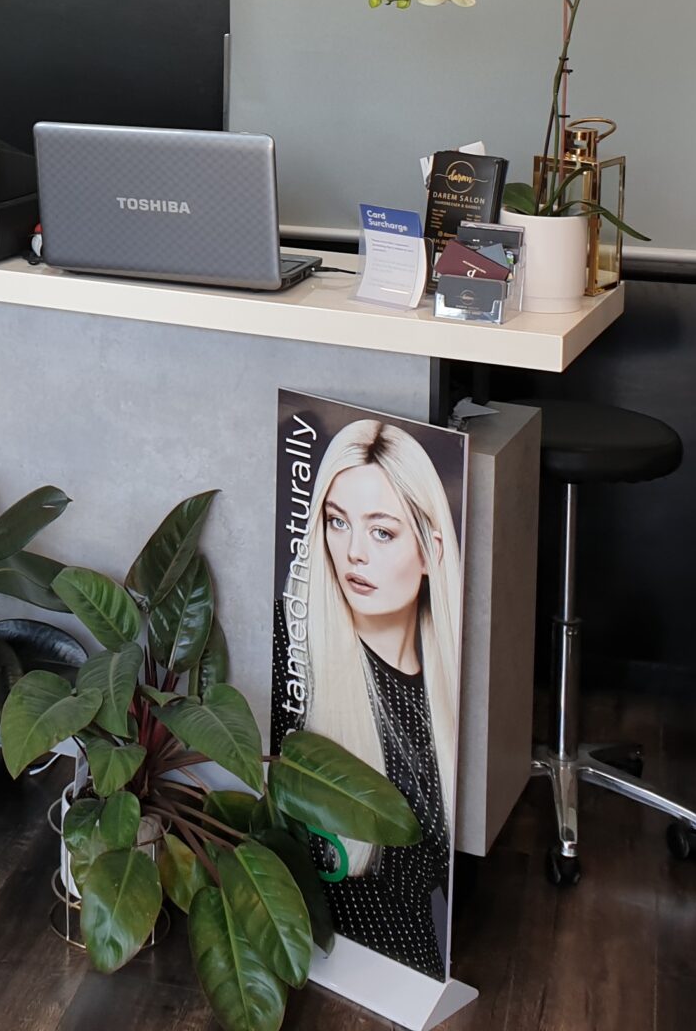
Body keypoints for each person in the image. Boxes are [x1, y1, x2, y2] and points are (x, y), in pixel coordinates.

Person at [274, 417, 463, 979]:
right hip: (320, 966)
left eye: (382, 532)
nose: (353, 551)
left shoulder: (449, 690)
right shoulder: (294, 646)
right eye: (338, 522)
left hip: (416, 977)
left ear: (430, 551)